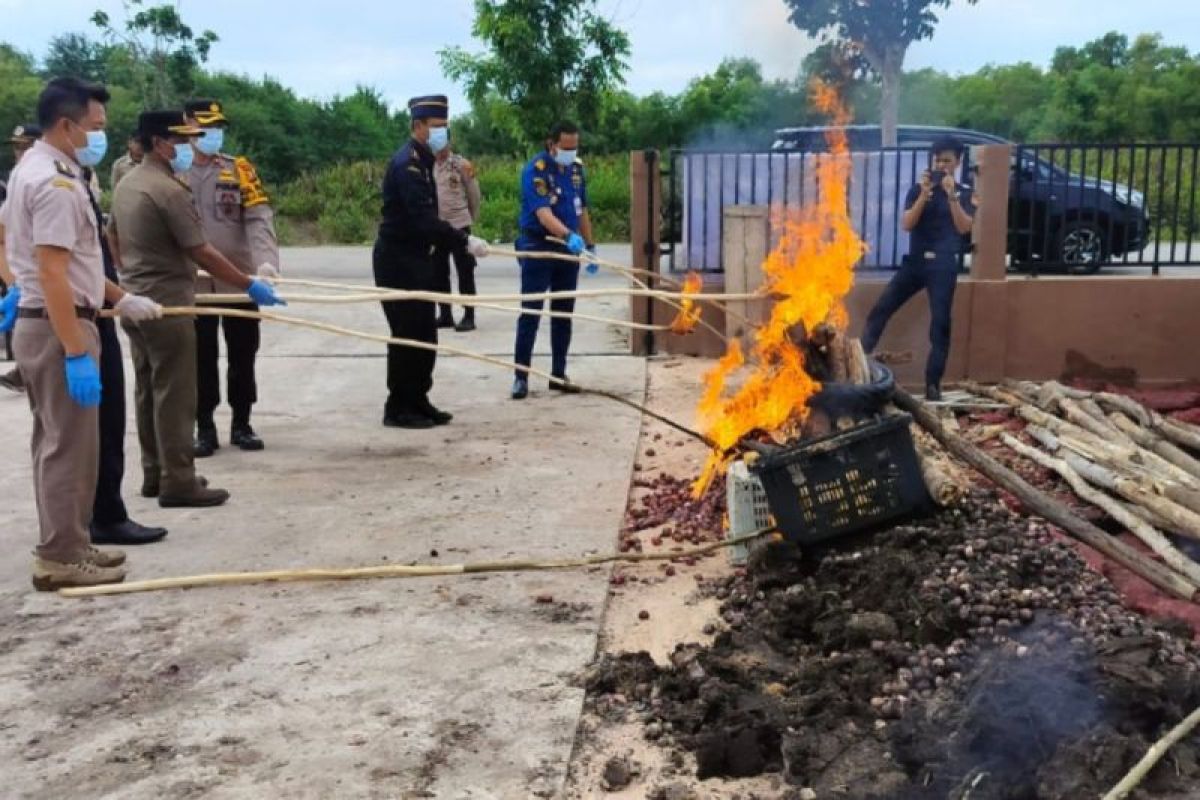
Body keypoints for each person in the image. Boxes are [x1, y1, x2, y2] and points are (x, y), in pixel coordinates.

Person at [0, 77, 164, 589]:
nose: (102, 134)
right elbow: (52, 272)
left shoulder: (42, 168)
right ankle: (60, 558)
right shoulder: (55, 184)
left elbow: (69, 266)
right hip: (59, 326)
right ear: (67, 125)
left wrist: (120, 298)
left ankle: (71, 543)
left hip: (56, 318)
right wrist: (75, 350)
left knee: (65, 445)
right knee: (66, 448)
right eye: (95, 126)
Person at [108, 110, 286, 508]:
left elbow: (112, 236)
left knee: (148, 390)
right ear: (160, 143)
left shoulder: (128, 182)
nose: (189, 146)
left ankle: (155, 473)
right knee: (176, 393)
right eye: (182, 139)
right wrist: (248, 284)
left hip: (136, 299)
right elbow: (201, 250)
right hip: (169, 302)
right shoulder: (168, 189)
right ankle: (180, 481)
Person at [374, 94, 489, 429]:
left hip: (418, 258)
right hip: (397, 261)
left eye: (444, 126)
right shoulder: (407, 164)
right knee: (407, 334)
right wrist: (464, 240)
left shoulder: (427, 161)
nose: (442, 132)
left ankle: (419, 399)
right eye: (436, 127)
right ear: (417, 126)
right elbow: (423, 219)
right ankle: (398, 406)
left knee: (426, 333)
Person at [183, 98, 280, 457]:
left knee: (243, 354)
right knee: (199, 356)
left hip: (240, 279)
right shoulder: (174, 171)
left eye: (218, 127)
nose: (213, 134)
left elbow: (259, 217)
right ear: (186, 125)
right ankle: (204, 426)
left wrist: (266, 264)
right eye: (205, 126)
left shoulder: (239, 169)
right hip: (193, 284)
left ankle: (242, 422)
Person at [861, 136, 976, 402]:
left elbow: (964, 227)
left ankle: (933, 385)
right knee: (880, 310)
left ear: (957, 162)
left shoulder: (966, 192)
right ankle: (858, 365)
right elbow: (907, 224)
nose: (941, 165)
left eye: (947, 160)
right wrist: (924, 194)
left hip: (943, 265)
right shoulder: (917, 190)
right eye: (937, 160)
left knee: (940, 326)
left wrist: (952, 196)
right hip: (915, 263)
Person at [511, 121, 596, 400]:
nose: (571, 152)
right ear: (552, 144)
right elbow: (544, 215)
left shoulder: (576, 170)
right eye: (566, 147)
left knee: (563, 314)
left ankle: (558, 374)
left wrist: (590, 245)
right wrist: (569, 236)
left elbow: (581, 209)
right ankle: (521, 377)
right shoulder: (536, 171)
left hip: (567, 252)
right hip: (539, 247)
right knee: (531, 312)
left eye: (575, 147)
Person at [1, 124, 42, 389]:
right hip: (30, 278)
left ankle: (23, 370)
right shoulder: (18, 179)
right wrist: (14, 281)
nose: (20, 153)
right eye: (17, 147)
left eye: (25, 146)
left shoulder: (52, 178)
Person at [432, 134, 482, 332]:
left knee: (465, 271)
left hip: (459, 225)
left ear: (449, 142)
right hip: (436, 226)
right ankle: (445, 314)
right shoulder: (428, 165)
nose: (438, 147)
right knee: (438, 272)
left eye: (442, 142)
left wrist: (470, 217)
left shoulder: (461, 165)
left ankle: (469, 315)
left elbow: (474, 194)